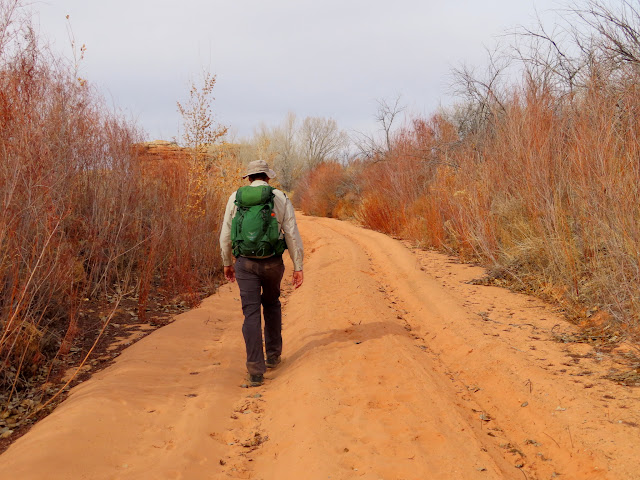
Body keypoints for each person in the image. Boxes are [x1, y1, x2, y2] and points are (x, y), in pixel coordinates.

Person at [219, 159, 304, 387]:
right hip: (273, 262)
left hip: (245, 263)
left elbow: (226, 232)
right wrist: (298, 266)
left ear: (248, 178)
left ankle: (256, 370)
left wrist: (227, 262)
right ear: (268, 177)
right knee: (273, 303)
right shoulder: (280, 196)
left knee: (251, 313)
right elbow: (291, 233)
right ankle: (274, 356)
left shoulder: (235, 197)